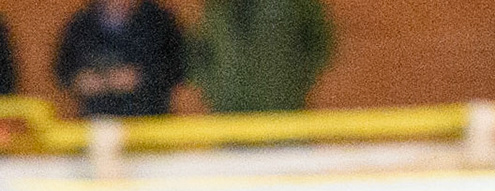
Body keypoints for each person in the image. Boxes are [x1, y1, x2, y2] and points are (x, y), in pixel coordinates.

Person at [191, 0, 335, 113]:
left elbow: (320, 44)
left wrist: (295, 83)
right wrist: (215, 91)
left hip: (284, 113)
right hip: (229, 120)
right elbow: (198, 53)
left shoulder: (295, 5)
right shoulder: (218, 8)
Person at [55, 0, 186, 117]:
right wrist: (80, 80)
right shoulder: (82, 24)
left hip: (150, 118)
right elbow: (63, 69)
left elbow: (178, 67)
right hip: (98, 121)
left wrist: (141, 78)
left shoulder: (159, 21)